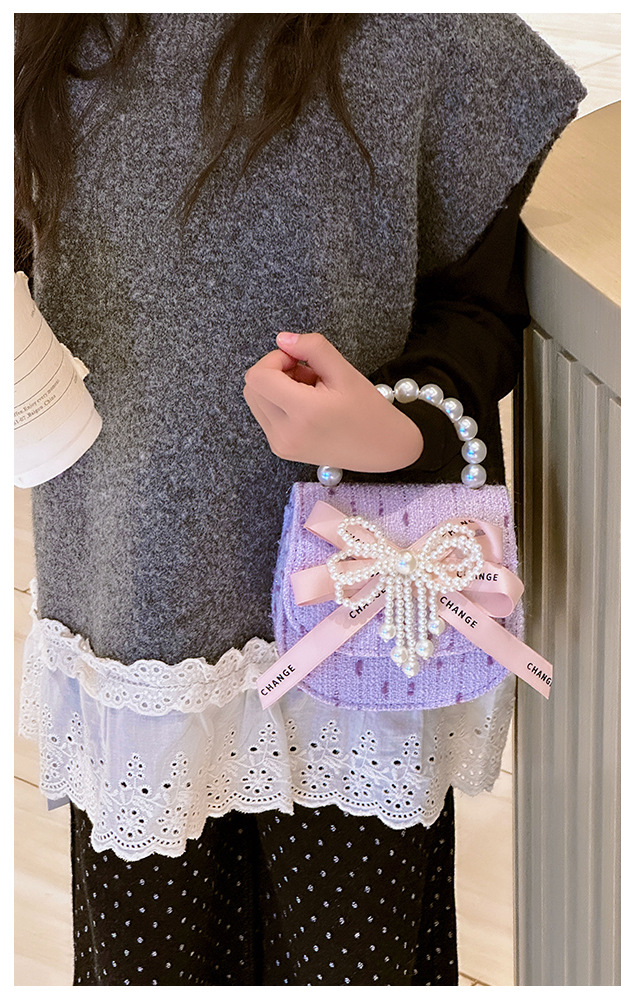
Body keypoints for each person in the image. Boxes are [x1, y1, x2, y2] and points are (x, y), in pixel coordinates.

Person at [15, 13, 585, 986]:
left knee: (355, 960)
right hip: (132, 617)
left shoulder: (424, 36)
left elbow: (483, 301)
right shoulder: (46, 35)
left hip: (353, 625)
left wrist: (403, 430)